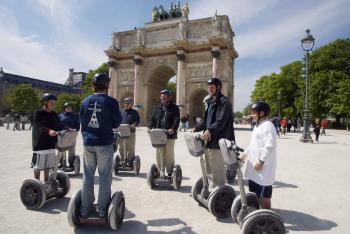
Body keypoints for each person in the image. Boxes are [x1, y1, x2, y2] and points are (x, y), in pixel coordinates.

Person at [79, 73, 121, 218]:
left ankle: (85, 208)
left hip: (88, 143)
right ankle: (102, 210)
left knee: (88, 176)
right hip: (104, 143)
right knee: (104, 177)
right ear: (107, 86)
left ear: (93, 86)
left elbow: (82, 123)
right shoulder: (111, 102)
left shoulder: (85, 101)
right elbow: (116, 124)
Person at [194, 78, 235, 189]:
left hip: (218, 140)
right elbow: (206, 120)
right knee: (209, 167)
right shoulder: (210, 102)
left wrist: (210, 130)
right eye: (208, 87)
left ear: (218, 87)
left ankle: (220, 190)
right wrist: (197, 127)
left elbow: (221, 120)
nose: (209, 89)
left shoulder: (224, 101)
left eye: (212, 87)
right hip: (208, 139)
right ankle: (212, 188)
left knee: (217, 168)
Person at [241, 101, 277, 209]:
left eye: (253, 113)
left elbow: (270, 146)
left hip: (262, 168)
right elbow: (253, 145)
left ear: (261, 113)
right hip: (254, 166)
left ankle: (267, 216)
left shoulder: (268, 126)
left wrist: (261, 161)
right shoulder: (257, 126)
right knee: (255, 193)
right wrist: (245, 154)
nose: (251, 115)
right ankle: (258, 213)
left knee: (264, 196)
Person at [148, 89, 180, 177]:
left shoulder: (174, 108)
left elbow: (177, 119)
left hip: (169, 134)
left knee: (168, 153)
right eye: (161, 96)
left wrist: (173, 129)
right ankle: (159, 170)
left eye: (164, 95)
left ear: (169, 98)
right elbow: (152, 119)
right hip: (158, 134)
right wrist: (150, 127)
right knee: (159, 152)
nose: (162, 97)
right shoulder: (157, 108)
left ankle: (170, 172)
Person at [32, 93, 64, 182]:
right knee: (38, 166)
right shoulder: (38, 113)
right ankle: (36, 183)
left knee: (48, 166)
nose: (53, 105)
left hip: (51, 143)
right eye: (51, 103)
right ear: (45, 102)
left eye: (54, 103)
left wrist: (68, 129)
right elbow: (39, 126)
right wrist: (49, 131)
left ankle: (46, 183)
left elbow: (59, 125)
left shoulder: (54, 114)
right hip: (40, 144)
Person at [119, 97, 140, 165]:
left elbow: (137, 121)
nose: (127, 104)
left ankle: (130, 161)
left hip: (131, 132)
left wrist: (134, 124)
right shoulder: (120, 112)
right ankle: (122, 160)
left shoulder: (134, 112)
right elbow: (117, 121)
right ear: (123, 104)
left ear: (131, 104)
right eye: (126, 103)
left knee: (130, 147)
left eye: (128, 103)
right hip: (122, 132)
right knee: (121, 147)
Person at [58, 102, 80, 167]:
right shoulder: (60, 116)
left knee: (72, 150)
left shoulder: (75, 116)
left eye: (70, 107)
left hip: (72, 134)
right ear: (64, 108)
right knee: (61, 150)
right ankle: (61, 163)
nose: (68, 109)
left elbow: (78, 125)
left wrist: (76, 129)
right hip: (62, 134)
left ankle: (71, 163)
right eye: (67, 107)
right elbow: (58, 125)